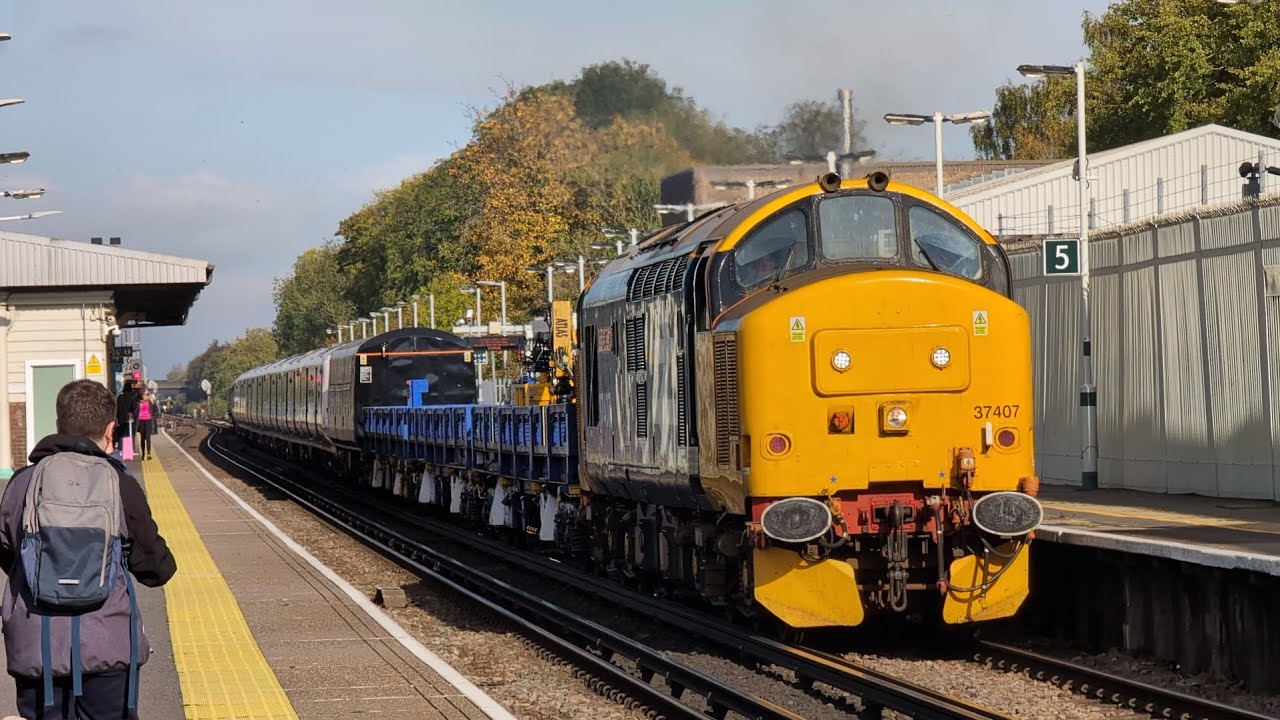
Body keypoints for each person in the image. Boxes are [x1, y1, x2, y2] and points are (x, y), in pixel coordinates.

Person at [0, 379, 177, 720]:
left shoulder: (21, 483)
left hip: (37, 651)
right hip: (108, 650)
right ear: (111, 429)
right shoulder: (121, 483)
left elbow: (6, 551)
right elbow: (155, 568)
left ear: (57, 425)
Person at [113, 380, 138, 458]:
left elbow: (117, 409)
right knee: (131, 434)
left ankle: (121, 449)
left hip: (121, 418)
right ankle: (131, 450)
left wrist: (116, 418)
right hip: (131, 418)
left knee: (121, 434)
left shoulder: (120, 397)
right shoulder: (134, 396)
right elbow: (135, 408)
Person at [132, 390, 158, 461]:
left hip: (148, 421)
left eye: (147, 394)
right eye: (144, 394)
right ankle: (143, 454)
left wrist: (153, 402)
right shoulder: (138, 403)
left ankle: (149, 454)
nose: (145, 396)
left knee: (148, 438)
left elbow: (156, 411)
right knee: (142, 439)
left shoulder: (151, 403)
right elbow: (134, 411)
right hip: (140, 422)